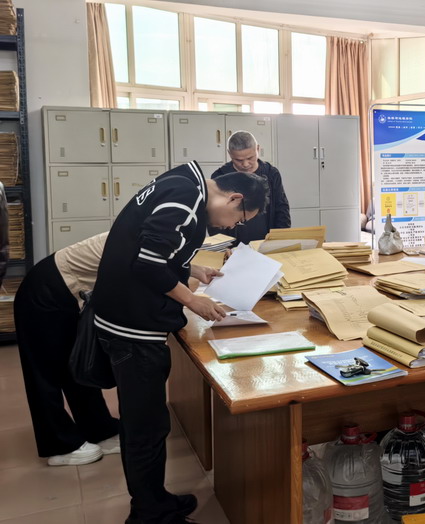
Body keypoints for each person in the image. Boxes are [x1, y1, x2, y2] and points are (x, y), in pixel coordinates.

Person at [92, 161, 267, 524]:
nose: (232, 227)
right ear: (234, 198)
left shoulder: (183, 182)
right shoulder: (187, 198)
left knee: (149, 423)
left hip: (123, 316)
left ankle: (154, 500)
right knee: (145, 428)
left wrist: (192, 269)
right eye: (239, 219)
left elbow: (151, 247)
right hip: (132, 328)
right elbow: (147, 264)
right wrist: (192, 300)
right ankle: (148, 515)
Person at [14, 232, 120, 466]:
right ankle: (59, 445)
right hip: (41, 292)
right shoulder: (139, 238)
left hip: (68, 297)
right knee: (43, 373)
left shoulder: (151, 234)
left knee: (76, 365)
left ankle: (99, 430)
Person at [209, 130, 291, 243]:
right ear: (229, 153)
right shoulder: (220, 176)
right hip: (232, 244)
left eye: (250, 158)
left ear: (257, 149)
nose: (245, 164)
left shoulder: (271, 174)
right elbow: (213, 216)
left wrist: (280, 239)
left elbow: (281, 208)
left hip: (267, 241)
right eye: (239, 160)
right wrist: (221, 245)